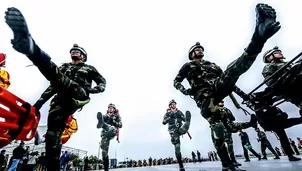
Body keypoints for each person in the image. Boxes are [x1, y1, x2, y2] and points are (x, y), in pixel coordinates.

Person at [173, 3, 280, 171]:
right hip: (204, 99)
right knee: (218, 128)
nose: (200, 50)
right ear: (192, 54)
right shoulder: (188, 66)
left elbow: (230, 79)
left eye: (201, 48)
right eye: (196, 49)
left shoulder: (213, 65)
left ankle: (258, 37)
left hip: (217, 88)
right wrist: (186, 91)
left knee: (232, 69)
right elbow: (176, 81)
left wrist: (244, 97)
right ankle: (226, 164)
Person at [4, 7, 107, 171]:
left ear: (84, 57)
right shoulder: (64, 67)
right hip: (59, 103)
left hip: (78, 95)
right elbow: (54, 83)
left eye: (78, 52)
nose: (74, 52)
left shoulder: (89, 69)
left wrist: (96, 89)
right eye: (72, 51)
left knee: (60, 78)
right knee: (52, 138)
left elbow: (102, 82)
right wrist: (38, 104)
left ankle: (32, 50)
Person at [162, 99, 191, 171]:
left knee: (184, 127)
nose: (173, 105)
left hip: (180, 128)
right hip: (173, 131)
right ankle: (181, 165)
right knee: (177, 146)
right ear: (170, 106)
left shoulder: (179, 112)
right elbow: (163, 122)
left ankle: (188, 122)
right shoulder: (167, 113)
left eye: (174, 104)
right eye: (172, 104)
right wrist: (169, 117)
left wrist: (183, 117)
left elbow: (183, 119)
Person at [97, 103, 122, 171]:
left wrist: (114, 122)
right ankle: (106, 168)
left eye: (112, 108)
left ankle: (103, 125)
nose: (110, 109)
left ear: (114, 109)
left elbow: (120, 124)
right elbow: (102, 118)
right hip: (105, 134)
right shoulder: (106, 115)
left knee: (110, 128)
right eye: (109, 108)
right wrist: (100, 122)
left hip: (113, 131)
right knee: (104, 152)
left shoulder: (117, 115)